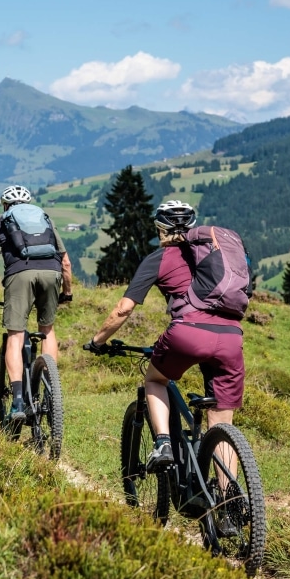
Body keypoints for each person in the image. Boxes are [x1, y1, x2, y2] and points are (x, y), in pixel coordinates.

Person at [85, 200, 244, 488]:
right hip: (232, 337)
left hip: (188, 333)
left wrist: (97, 341)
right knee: (221, 422)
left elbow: (123, 309)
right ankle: (228, 499)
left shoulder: (159, 258)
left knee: (155, 379)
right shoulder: (212, 255)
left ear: (159, 227)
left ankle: (162, 444)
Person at [0, 184, 73, 423]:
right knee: (47, 329)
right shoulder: (45, 218)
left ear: (5, 205)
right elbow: (65, 262)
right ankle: (49, 385)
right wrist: (67, 292)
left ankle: (17, 402)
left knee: (15, 335)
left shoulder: (0, 219)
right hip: (52, 273)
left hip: (19, 274)